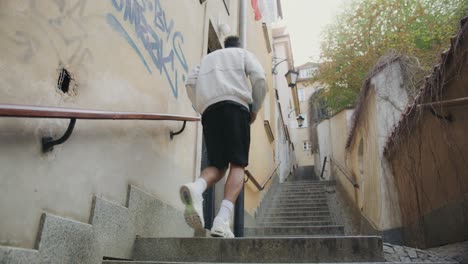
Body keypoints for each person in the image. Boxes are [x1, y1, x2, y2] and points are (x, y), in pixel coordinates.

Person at [181, 36, 267, 238]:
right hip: (236, 107)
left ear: (224, 46)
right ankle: (221, 221)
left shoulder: (207, 59)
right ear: (238, 47)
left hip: (210, 111)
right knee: (238, 164)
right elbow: (260, 78)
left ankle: (196, 187)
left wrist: (201, 105)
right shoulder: (242, 54)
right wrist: (254, 108)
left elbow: (190, 82)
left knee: (218, 166)